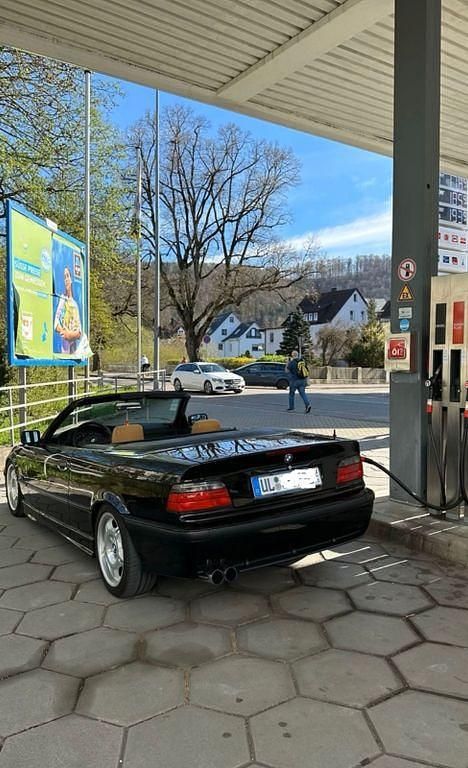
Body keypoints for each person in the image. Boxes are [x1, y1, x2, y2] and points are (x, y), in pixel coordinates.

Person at [54, 266, 82, 354]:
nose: (66, 279)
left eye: (67, 276)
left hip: (75, 347)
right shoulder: (62, 300)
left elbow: (79, 330)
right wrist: (64, 333)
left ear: (71, 279)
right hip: (65, 346)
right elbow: (56, 323)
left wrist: (73, 335)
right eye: (64, 277)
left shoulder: (75, 303)